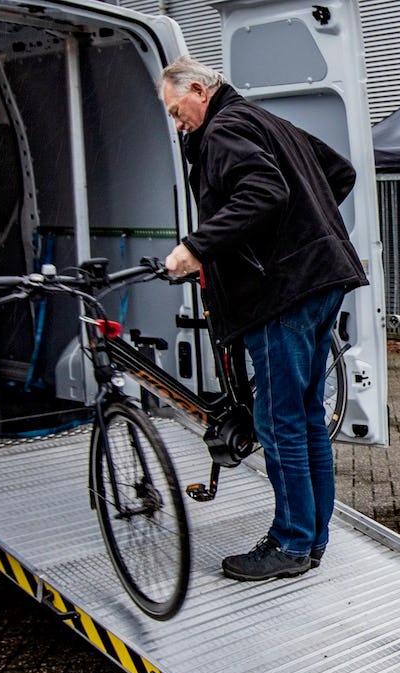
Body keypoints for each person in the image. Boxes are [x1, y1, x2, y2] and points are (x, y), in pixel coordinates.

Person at [159, 56, 368, 582]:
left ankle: (291, 543)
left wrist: (197, 248)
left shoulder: (226, 127)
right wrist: (302, 235)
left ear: (199, 90)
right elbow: (338, 173)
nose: (176, 120)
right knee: (302, 417)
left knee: (278, 421)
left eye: (175, 108)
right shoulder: (266, 120)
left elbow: (264, 193)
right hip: (320, 282)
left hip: (283, 294)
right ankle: (312, 539)